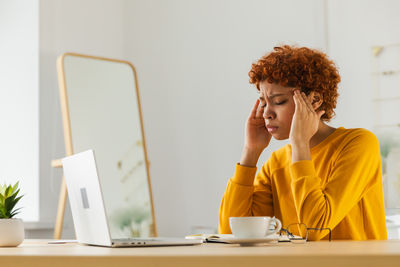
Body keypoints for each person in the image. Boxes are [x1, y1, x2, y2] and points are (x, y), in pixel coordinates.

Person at [218, 45, 387, 240]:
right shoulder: (276, 163)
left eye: (279, 101)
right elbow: (233, 234)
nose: (266, 113)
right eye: (263, 103)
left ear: (314, 100)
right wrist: (250, 152)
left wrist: (300, 143)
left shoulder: (358, 144)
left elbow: (315, 228)